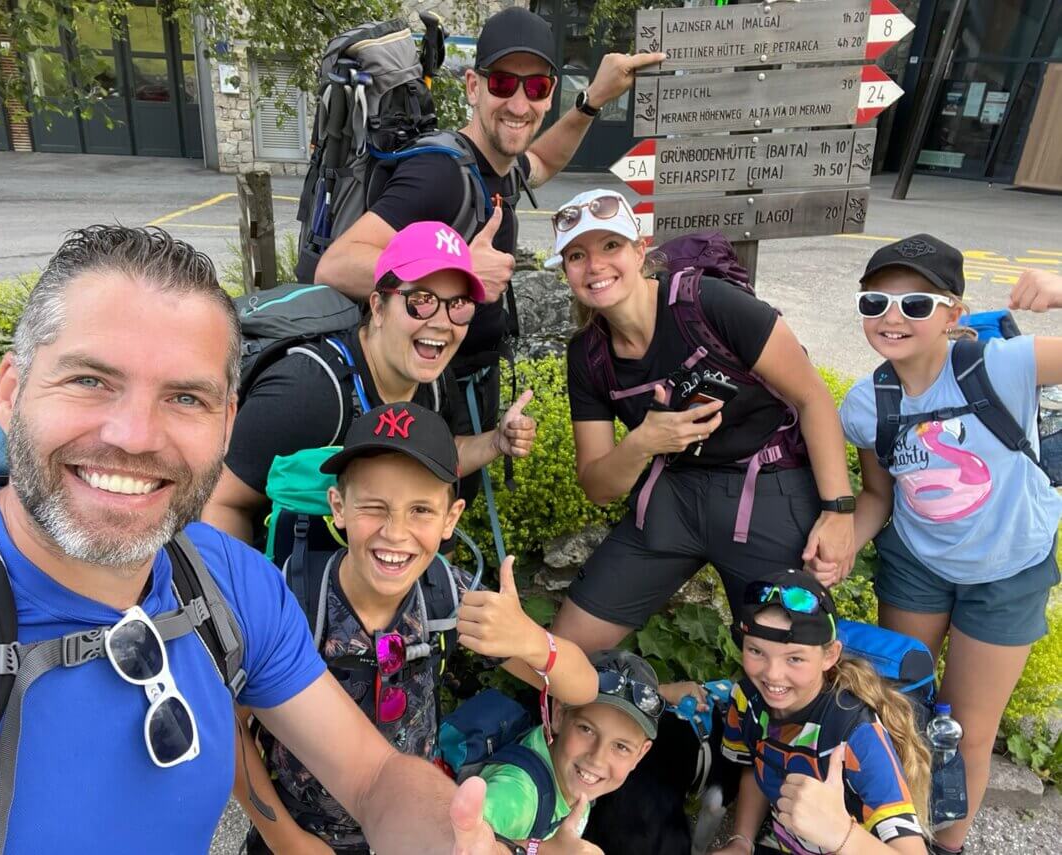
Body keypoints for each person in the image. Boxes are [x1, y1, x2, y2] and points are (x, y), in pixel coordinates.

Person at [0, 225, 520, 854]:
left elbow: (372, 778)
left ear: (229, 422)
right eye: (90, 381)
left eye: (186, 397)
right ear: (12, 392)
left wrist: (450, 838)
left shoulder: (226, 586)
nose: (134, 436)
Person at [314, 7, 666, 510]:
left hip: (467, 381)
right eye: (503, 83)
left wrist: (593, 101)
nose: (520, 102)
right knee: (419, 519)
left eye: (537, 87)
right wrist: (459, 269)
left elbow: (542, 162)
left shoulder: (496, 166)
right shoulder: (438, 175)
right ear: (474, 87)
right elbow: (337, 264)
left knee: (448, 517)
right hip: (428, 387)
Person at [235, 402, 597, 854]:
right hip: (298, 833)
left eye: (421, 510)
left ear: (452, 518)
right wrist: (283, 837)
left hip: (410, 830)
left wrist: (532, 641)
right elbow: (232, 722)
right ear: (338, 507)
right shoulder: (287, 599)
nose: (396, 532)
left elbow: (582, 689)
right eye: (374, 506)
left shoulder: (448, 595)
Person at [827, 241, 1062, 855]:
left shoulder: (1002, 365)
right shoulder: (866, 403)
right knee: (901, 713)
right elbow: (878, 496)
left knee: (969, 730)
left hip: (1008, 568)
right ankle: (896, 833)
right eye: (876, 301)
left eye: (916, 302)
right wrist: (841, 542)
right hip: (919, 567)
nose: (892, 315)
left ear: (953, 313)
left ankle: (946, 848)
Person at [547, 188, 856, 655]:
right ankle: (659, 704)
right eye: (576, 255)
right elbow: (598, 486)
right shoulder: (588, 355)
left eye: (611, 246)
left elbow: (812, 396)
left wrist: (837, 512)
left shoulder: (707, 303)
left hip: (766, 488)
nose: (595, 266)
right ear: (565, 270)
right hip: (673, 495)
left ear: (639, 249)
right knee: (560, 654)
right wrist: (642, 442)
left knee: (791, 663)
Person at [201, 220, 536, 548]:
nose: (442, 323)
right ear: (378, 307)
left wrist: (495, 443)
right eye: (420, 301)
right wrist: (244, 596)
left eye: (459, 306)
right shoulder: (309, 391)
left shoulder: (432, 380)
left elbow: (438, 450)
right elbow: (223, 502)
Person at [713, 570, 930, 855]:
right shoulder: (746, 700)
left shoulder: (855, 734)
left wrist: (841, 834)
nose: (772, 674)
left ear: (830, 655)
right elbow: (756, 765)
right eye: (756, 651)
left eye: (794, 658)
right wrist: (741, 840)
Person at [479, 649, 662, 855]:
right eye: (587, 729)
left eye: (621, 747)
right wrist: (542, 851)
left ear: (641, 754)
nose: (597, 758)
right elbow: (451, 842)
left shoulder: (574, 782)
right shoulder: (516, 794)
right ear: (558, 715)